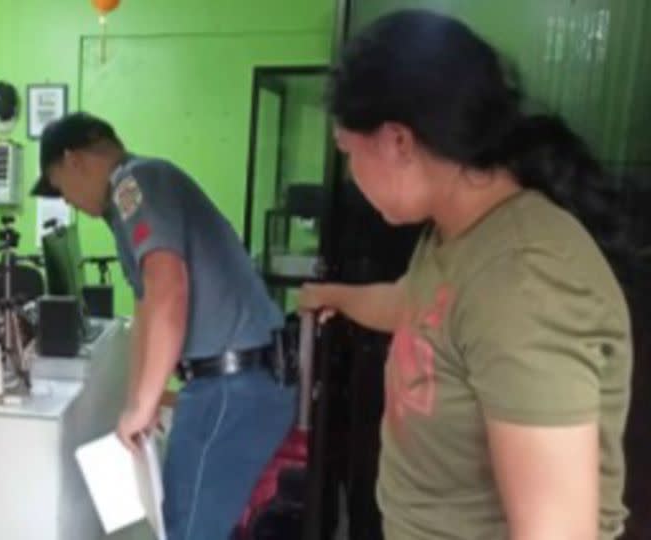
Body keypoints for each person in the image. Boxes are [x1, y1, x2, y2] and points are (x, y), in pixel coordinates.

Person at [299, 10, 633, 540]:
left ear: (397, 142)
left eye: (348, 153)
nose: (351, 175)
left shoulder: (524, 281)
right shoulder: (456, 237)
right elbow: (413, 305)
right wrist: (330, 294)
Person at [31, 112, 295, 540]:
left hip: (231, 385)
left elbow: (169, 289)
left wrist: (143, 404)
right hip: (228, 382)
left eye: (62, 188)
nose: (72, 203)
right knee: (180, 520)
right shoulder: (126, 207)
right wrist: (138, 403)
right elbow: (147, 309)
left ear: (74, 159)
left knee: (187, 530)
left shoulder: (136, 182)